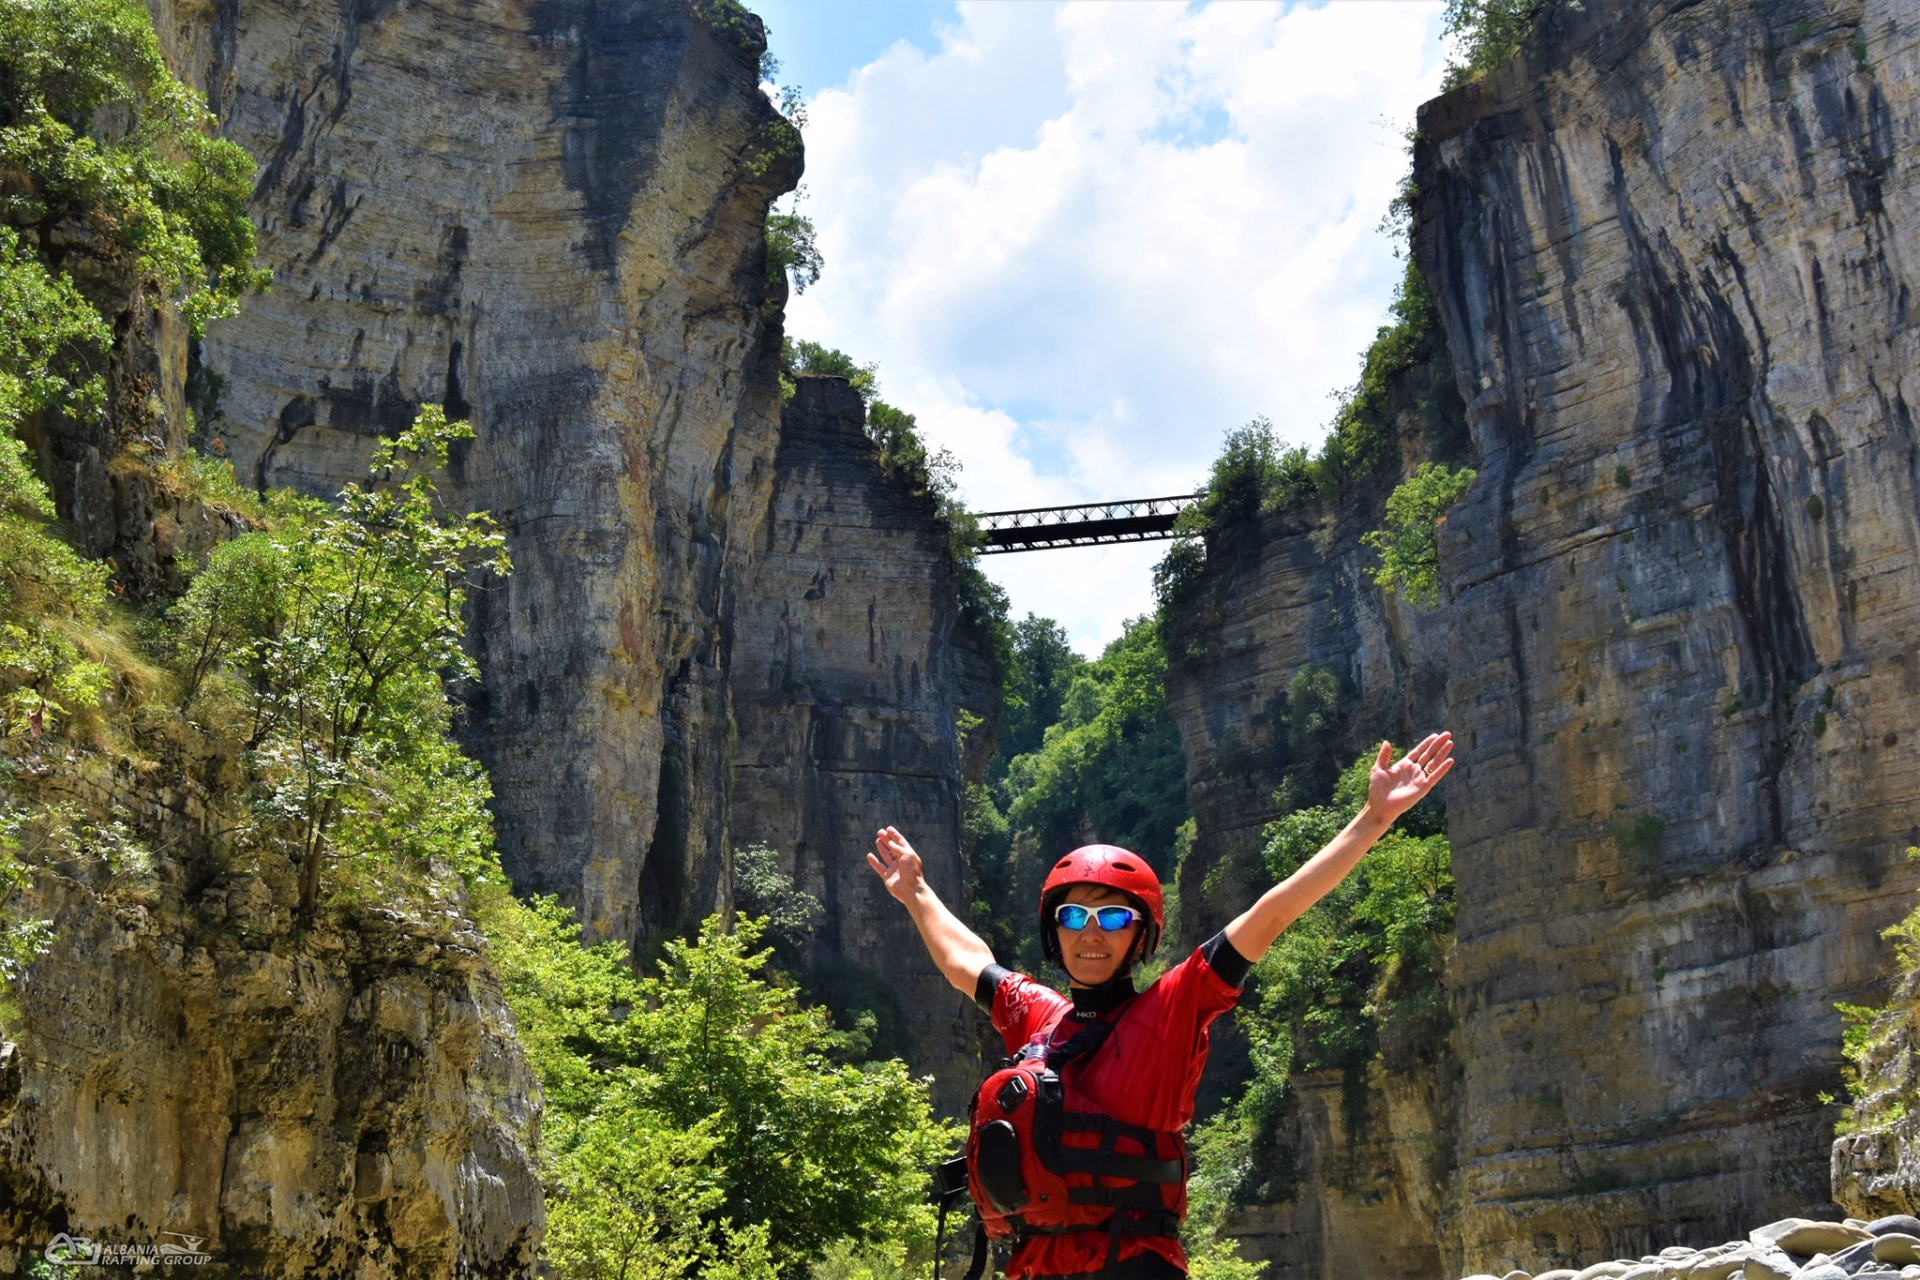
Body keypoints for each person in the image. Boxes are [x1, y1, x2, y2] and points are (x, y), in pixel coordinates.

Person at [868, 732, 1456, 1280]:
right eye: (1073, 916)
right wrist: (916, 891)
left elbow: (1273, 913)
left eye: (1112, 917)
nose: (1090, 934)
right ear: (1055, 931)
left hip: (1132, 1262)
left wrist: (1374, 818)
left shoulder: (1174, 1007)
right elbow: (966, 961)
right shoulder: (1041, 1020)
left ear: (1140, 935)